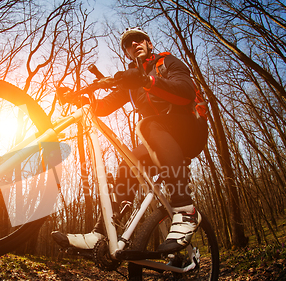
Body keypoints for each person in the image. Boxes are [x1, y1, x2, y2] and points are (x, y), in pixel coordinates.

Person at [52, 27, 208, 253]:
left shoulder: (167, 63)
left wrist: (148, 81)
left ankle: (185, 209)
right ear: (126, 54)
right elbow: (106, 105)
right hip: (159, 140)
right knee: (128, 164)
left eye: (138, 40)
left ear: (149, 44)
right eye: (128, 44)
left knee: (147, 124)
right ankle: (102, 232)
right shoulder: (132, 78)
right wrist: (82, 99)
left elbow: (185, 92)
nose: (134, 44)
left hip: (189, 130)